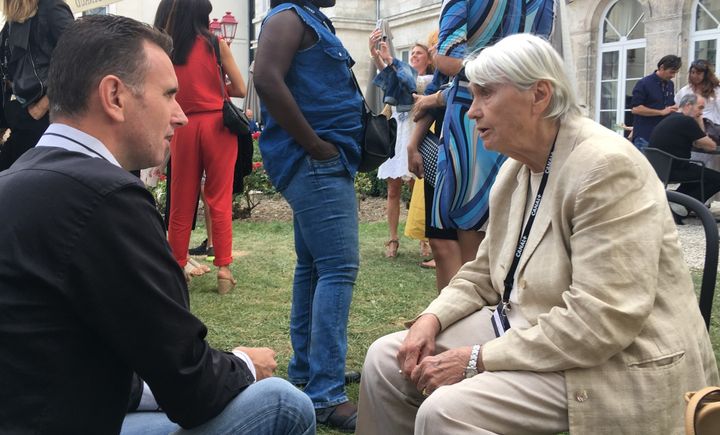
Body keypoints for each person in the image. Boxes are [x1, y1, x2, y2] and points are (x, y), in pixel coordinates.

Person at [356, 33, 719, 435]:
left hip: (614, 357)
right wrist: (430, 318)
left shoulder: (606, 168)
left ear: (539, 95)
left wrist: (477, 359)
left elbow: (601, 321)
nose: (471, 112)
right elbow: (482, 272)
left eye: (485, 95)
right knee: (386, 361)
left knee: (448, 411)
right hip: (530, 326)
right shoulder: (517, 167)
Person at [0, 15, 314, 435]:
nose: (180, 116)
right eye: (168, 95)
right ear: (114, 96)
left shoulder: (17, 179)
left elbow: (72, 357)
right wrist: (243, 363)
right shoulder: (104, 198)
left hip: (41, 405)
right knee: (281, 402)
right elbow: (190, 386)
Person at [254, 0, 362, 431]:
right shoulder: (287, 17)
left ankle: (308, 373)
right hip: (315, 160)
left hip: (320, 159)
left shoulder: (306, 18)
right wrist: (314, 144)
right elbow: (264, 78)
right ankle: (324, 394)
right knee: (338, 268)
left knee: (315, 268)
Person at [154, 0, 247, 294]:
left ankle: (177, 266)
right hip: (218, 125)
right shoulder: (215, 43)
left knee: (181, 200)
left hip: (184, 126)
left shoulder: (169, 50)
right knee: (218, 198)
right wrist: (217, 87)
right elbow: (241, 89)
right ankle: (223, 269)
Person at [369, 32, 434, 258]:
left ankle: (424, 238)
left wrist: (389, 60)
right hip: (397, 133)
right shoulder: (399, 75)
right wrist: (375, 54)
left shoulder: (429, 81)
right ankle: (392, 238)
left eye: (418, 53)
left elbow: (411, 81)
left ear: (428, 59)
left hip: (416, 134)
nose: (414, 55)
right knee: (393, 188)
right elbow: (388, 76)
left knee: (419, 189)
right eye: (412, 53)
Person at [0, 0, 73, 171]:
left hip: (41, 122)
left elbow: (79, 60)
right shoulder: (13, 18)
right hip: (19, 121)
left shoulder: (51, 8)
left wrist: (43, 105)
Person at [650, 93, 720, 213]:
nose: (701, 112)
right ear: (688, 105)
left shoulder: (672, 118)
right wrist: (699, 120)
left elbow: (699, 143)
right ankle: (686, 206)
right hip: (676, 168)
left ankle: (676, 202)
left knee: (701, 174)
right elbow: (711, 146)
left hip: (662, 168)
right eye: (700, 108)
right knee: (717, 178)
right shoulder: (686, 121)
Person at [630, 54, 681, 149]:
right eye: (671, 72)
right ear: (662, 67)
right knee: (645, 164)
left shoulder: (670, 84)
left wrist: (675, 108)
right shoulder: (643, 83)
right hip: (645, 136)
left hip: (663, 137)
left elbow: (668, 106)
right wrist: (661, 112)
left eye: (675, 73)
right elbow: (635, 109)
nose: (673, 76)